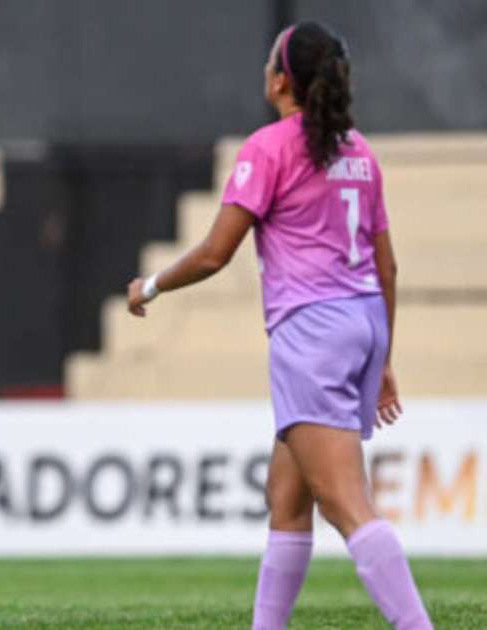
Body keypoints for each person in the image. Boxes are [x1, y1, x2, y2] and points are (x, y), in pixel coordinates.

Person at [125, 21, 431, 630]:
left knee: (347, 505)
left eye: (270, 60)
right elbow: (386, 264)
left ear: (282, 79)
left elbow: (216, 253)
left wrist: (151, 286)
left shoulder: (267, 148)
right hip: (363, 322)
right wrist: (385, 358)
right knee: (288, 500)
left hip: (311, 333)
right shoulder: (359, 151)